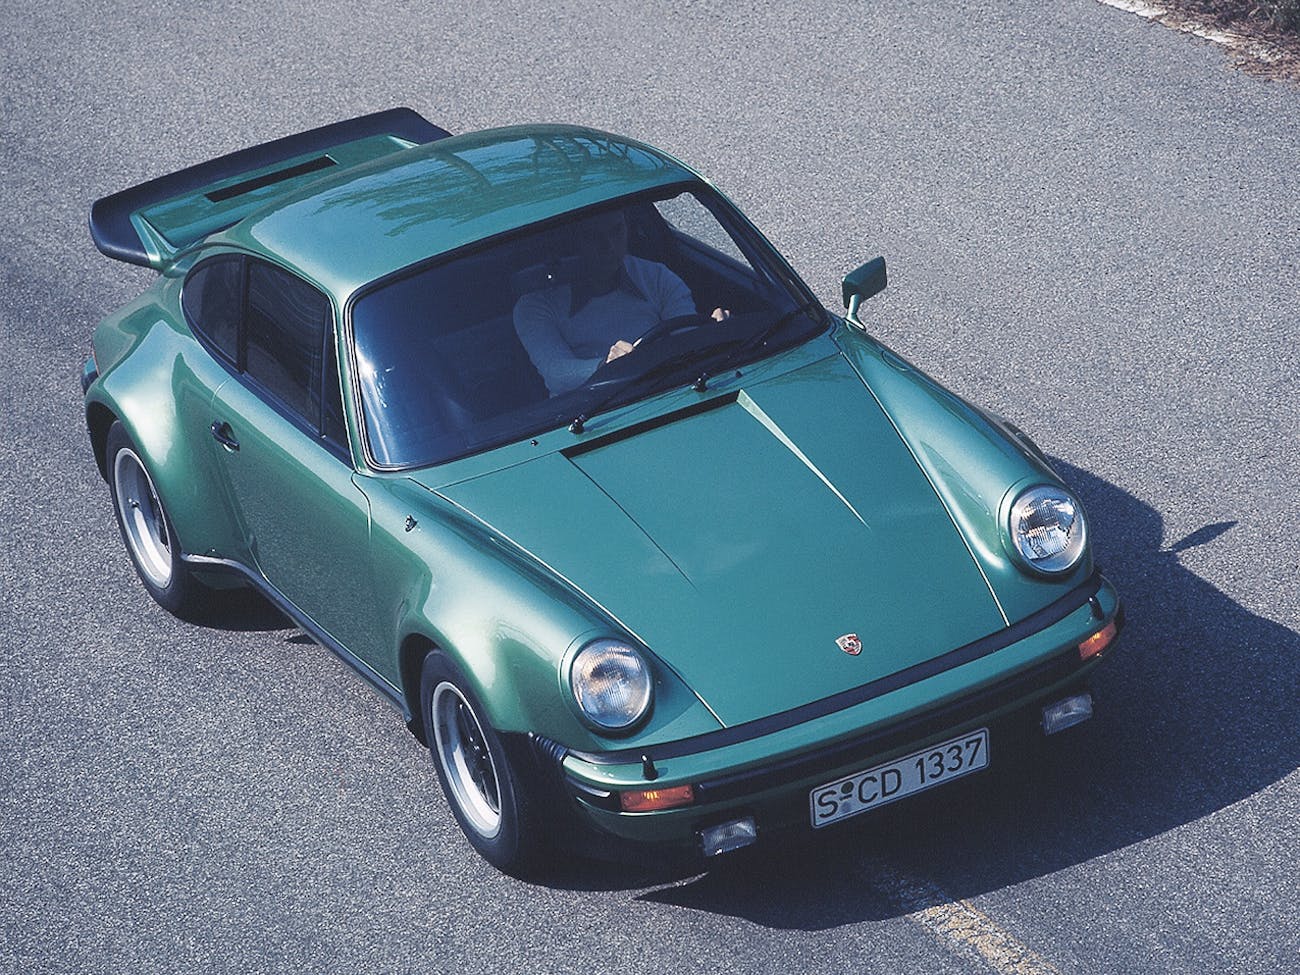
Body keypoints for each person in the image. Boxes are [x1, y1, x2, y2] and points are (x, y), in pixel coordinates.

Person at [513, 208, 727, 396]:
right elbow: (556, 374)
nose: (609, 246)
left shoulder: (657, 277)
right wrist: (606, 365)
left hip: (668, 390)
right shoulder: (535, 306)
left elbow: (684, 338)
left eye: (617, 230)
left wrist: (712, 334)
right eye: (593, 236)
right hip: (587, 414)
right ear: (572, 242)